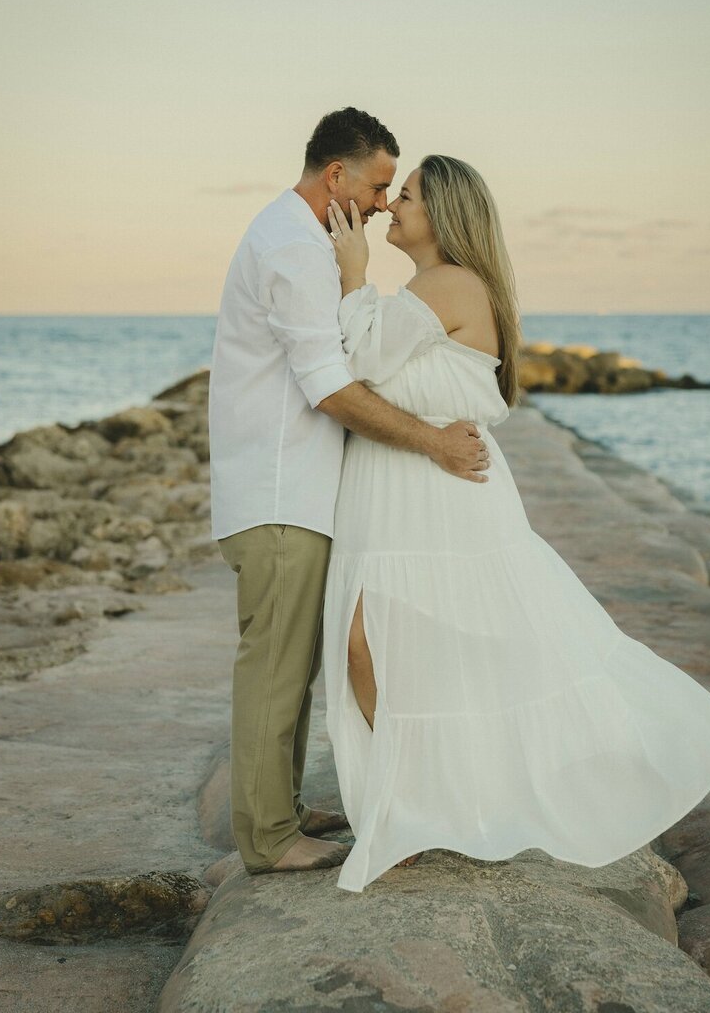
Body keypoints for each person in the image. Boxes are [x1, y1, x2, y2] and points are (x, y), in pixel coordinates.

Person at [322, 153, 710, 893]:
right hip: (399, 489)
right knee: (378, 643)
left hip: (437, 495)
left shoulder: (450, 281)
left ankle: (429, 801)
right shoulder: (424, 288)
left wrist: (352, 272)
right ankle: (417, 802)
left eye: (411, 196)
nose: (393, 205)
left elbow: (357, 354)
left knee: (397, 641)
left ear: (447, 215)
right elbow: (367, 361)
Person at [208, 111, 492, 876]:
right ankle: (268, 840)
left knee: (292, 663)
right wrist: (432, 441)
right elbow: (332, 387)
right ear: (336, 176)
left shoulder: (300, 239)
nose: (379, 202)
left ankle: (282, 810)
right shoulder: (295, 251)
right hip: (279, 491)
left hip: (291, 488)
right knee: (274, 665)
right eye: (375, 186)